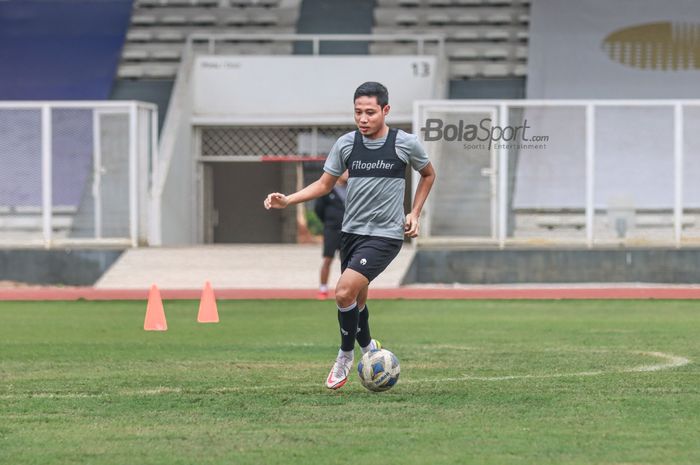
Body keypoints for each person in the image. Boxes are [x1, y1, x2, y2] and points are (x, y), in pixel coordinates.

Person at [264, 81, 436, 390]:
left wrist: (414, 212)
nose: (363, 118)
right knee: (356, 300)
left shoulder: (404, 143)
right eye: (358, 112)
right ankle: (369, 348)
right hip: (351, 232)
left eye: (370, 112)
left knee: (343, 292)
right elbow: (324, 184)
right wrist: (288, 200)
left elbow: (428, 174)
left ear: (385, 110)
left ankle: (344, 355)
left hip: (385, 235)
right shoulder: (346, 144)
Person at [313, 171, 348, 300]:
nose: (347, 173)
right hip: (331, 230)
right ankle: (323, 288)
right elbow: (318, 209)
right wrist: (329, 221)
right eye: (345, 170)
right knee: (327, 259)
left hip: (348, 230)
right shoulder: (328, 189)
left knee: (347, 261)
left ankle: (346, 289)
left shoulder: (351, 188)